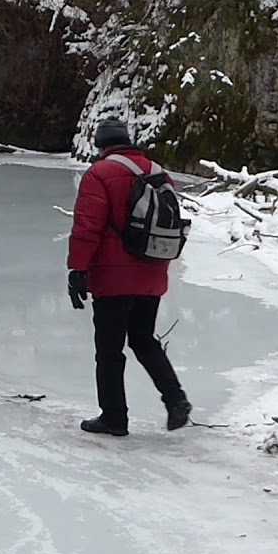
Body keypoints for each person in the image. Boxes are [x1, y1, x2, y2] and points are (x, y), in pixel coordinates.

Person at [67, 118, 192, 436]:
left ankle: (114, 418)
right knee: (143, 340)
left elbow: (87, 228)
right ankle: (176, 399)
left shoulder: (100, 173)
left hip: (112, 277)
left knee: (109, 349)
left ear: (101, 145)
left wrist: (77, 270)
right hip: (151, 271)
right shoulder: (155, 170)